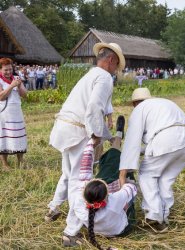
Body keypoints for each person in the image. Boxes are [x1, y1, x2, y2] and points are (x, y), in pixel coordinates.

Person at [45, 42, 125, 222]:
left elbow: (93, 109)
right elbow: (94, 108)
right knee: (78, 181)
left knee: (67, 174)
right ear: (111, 60)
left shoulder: (90, 74)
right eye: (116, 66)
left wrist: (107, 136)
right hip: (77, 132)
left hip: (65, 128)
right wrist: (97, 135)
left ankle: (54, 207)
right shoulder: (104, 77)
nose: (115, 70)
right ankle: (71, 230)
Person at [119, 88, 185, 232]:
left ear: (135, 103)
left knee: (147, 174)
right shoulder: (163, 103)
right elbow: (161, 135)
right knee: (166, 179)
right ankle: (163, 217)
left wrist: (123, 172)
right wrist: (142, 151)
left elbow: (132, 142)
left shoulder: (139, 109)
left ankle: (154, 216)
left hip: (168, 140)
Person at [62, 118, 137, 248]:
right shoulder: (115, 200)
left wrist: (91, 144)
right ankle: (118, 138)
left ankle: (117, 141)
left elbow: (85, 170)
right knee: (116, 162)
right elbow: (131, 188)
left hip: (95, 230)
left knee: (111, 164)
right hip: (120, 231)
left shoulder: (79, 203)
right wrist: (124, 174)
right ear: (108, 194)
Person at [0, 58, 27, 170]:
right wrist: (11, 86)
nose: (8, 72)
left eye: (10, 69)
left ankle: (20, 160)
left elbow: (24, 95)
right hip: (4, 114)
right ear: (0, 70)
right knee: (4, 137)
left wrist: (19, 85)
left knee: (18, 136)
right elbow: (1, 97)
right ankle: (5, 164)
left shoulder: (16, 78)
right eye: (6, 70)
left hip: (16, 113)